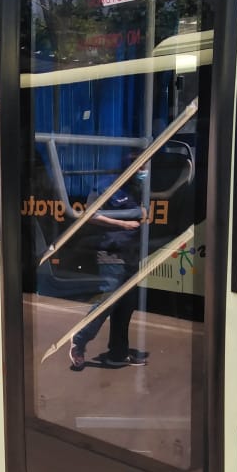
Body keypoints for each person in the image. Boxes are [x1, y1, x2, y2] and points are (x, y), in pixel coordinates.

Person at [69, 156, 149, 370]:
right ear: (130, 167)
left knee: (126, 305)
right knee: (107, 302)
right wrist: (122, 224)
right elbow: (90, 215)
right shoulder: (105, 186)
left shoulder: (136, 187)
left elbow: (140, 212)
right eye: (142, 167)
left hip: (131, 253)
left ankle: (118, 353)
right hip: (111, 253)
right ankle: (79, 340)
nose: (145, 171)